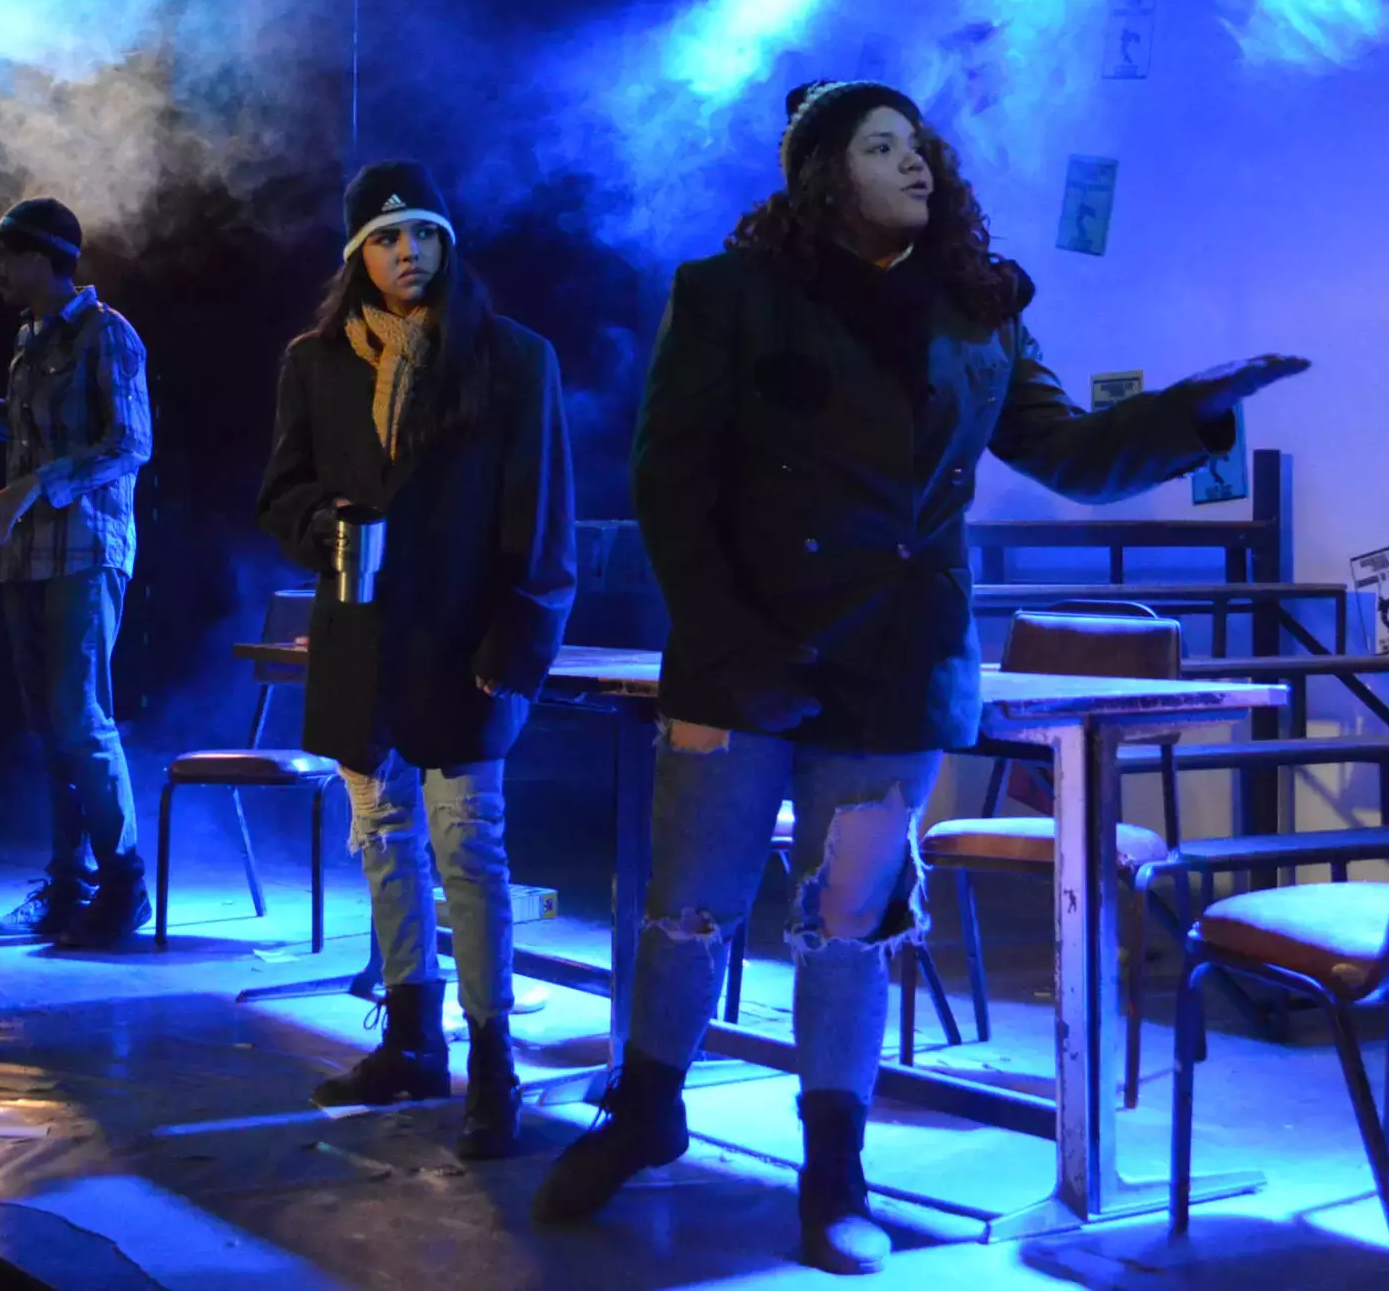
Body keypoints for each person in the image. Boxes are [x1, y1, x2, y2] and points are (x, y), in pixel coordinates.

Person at [533, 81, 1306, 1272]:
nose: (915, 166)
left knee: (850, 919)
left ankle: (833, 1172)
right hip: (745, 654)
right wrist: (732, 642)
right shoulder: (731, 294)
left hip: (894, 660)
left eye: (921, 148)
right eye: (881, 146)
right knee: (690, 903)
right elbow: (670, 483)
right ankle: (644, 1110)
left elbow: (1071, 456)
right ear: (821, 174)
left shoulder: (977, 312)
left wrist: (1191, 413)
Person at [258, 161, 575, 1161]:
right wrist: (326, 524)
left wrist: (519, 642)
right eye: (389, 238)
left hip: (467, 643)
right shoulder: (317, 362)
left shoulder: (511, 358)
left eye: (426, 233)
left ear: (448, 244)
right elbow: (281, 493)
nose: (410, 252)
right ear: (359, 254)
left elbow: (544, 519)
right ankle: (409, 1039)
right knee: (383, 835)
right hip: (361, 641)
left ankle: (493, 1061)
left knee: (470, 852)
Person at [0, 199, 157, 950]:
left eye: (5, 255)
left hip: (85, 549)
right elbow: (30, 432)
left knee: (80, 716)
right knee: (50, 727)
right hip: (27, 555)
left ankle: (123, 883)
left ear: (42, 258)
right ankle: (68, 883)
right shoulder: (27, 340)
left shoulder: (106, 332)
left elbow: (130, 441)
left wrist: (34, 484)